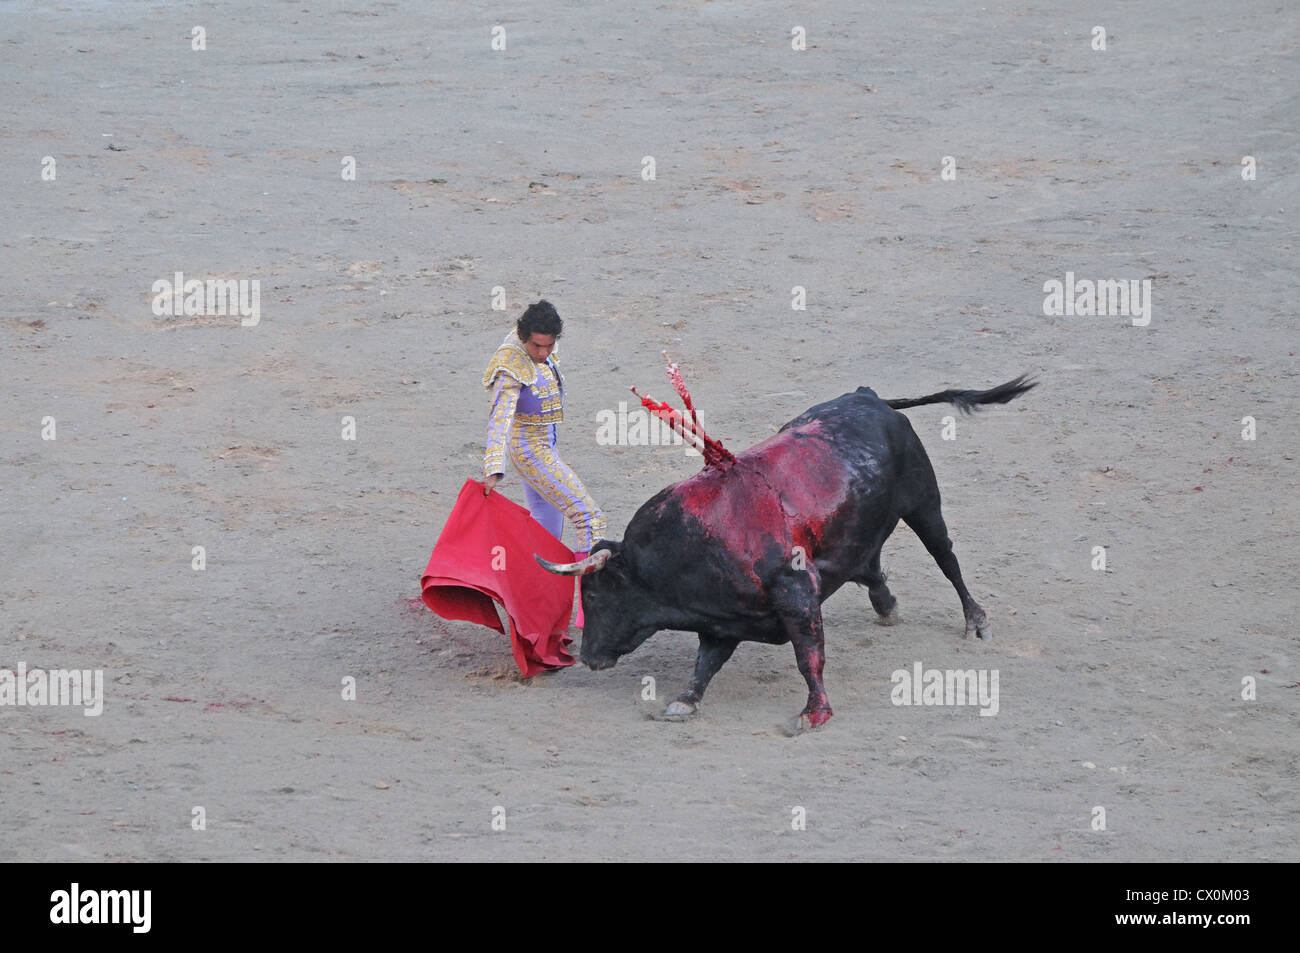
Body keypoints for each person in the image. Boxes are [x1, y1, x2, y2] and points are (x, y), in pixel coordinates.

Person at [481, 301, 606, 627]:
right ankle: (588, 614)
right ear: (523, 336)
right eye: (537, 345)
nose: (543, 352)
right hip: (531, 451)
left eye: (550, 345)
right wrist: (494, 466)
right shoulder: (511, 365)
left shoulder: (541, 345)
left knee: (545, 529)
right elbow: (499, 418)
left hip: (545, 442)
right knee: (589, 517)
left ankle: (535, 601)